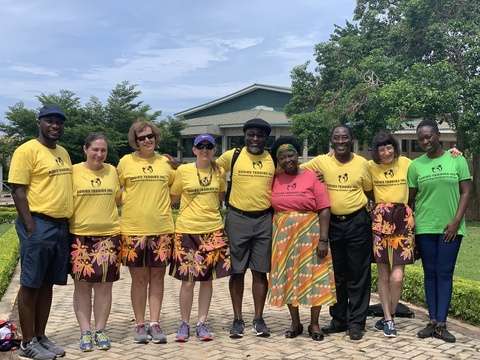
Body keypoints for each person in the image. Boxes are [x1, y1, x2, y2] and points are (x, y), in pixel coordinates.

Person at [8, 104, 73, 359]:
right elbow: (18, 190)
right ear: (39, 123)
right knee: (30, 283)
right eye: (50, 121)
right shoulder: (27, 150)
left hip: (59, 226)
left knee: (47, 285)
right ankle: (26, 343)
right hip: (38, 223)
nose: (55, 126)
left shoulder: (63, 153)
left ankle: (40, 336)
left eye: (59, 122)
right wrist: (30, 226)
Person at [301, 124, 373, 340]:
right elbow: (293, 167)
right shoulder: (321, 161)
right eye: (336, 138)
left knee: (358, 274)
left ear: (352, 140)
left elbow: (369, 190)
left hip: (357, 222)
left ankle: (356, 323)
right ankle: (339, 320)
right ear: (331, 141)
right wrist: (315, 177)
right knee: (336, 275)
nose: (341, 141)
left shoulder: (363, 163)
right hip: (331, 224)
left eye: (345, 137)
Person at [407, 119, 471, 343]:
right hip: (425, 227)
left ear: (438, 135)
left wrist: (455, 221)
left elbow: (465, 192)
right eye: (421, 138)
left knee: (444, 274)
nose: (425, 141)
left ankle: (442, 324)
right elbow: (411, 199)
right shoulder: (416, 166)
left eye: (428, 136)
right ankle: (432, 322)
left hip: (450, 228)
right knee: (430, 274)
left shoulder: (457, 159)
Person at [268, 137, 336, 341]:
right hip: (284, 238)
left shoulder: (313, 177)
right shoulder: (275, 179)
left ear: (298, 156)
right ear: (278, 160)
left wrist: (323, 239)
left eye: (291, 155)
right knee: (289, 277)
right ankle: (295, 322)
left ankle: (314, 324)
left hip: (311, 235)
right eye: (282, 157)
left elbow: (324, 209)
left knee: (315, 276)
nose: (287, 160)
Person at [216, 118, 275, 338]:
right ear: (244, 135)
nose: (255, 139)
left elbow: (295, 169)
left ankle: (258, 319)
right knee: (237, 271)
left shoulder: (273, 158)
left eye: (260, 135)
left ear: (266, 138)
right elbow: (207, 168)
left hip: (264, 220)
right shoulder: (234, 155)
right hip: (237, 218)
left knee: (260, 272)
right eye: (251, 134)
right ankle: (237, 319)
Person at [118, 120, 175, 344]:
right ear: (135, 140)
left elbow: (176, 192)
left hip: (161, 229)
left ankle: (155, 323)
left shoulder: (166, 163)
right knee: (139, 280)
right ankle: (140, 325)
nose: (147, 140)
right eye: (142, 138)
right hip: (133, 230)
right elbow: (116, 192)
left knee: (158, 278)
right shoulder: (125, 162)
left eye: (150, 136)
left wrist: (159, 207)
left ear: (156, 137)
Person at [169, 134, 231, 342]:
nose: (205, 150)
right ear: (193, 150)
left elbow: (222, 196)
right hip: (187, 230)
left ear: (214, 150)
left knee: (207, 280)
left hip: (213, 230)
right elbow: (172, 198)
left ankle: (201, 323)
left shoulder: (219, 171)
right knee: (188, 282)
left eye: (209, 146)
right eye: (200, 146)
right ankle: (184, 323)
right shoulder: (183, 171)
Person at [69, 133, 122, 352]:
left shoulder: (113, 172)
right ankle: (84, 332)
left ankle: (100, 331)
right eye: (95, 150)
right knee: (82, 286)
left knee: (104, 287)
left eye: (103, 150)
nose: (99, 154)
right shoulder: (72, 172)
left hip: (109, 237)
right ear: (85, 149)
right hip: (80, 237)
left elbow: (119, 199)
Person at [368, 130, 415, 338]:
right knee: (384, 274)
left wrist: (453, 152)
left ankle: (392, 313)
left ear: (394, 148)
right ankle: (388, 319)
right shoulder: (370, 167)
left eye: (389, 148)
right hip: (380, 220)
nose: (386, 153)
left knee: (397, 277)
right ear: (376, 152)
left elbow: (428, 163)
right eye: (381, 149)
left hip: (402, 220)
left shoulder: (406, 163)